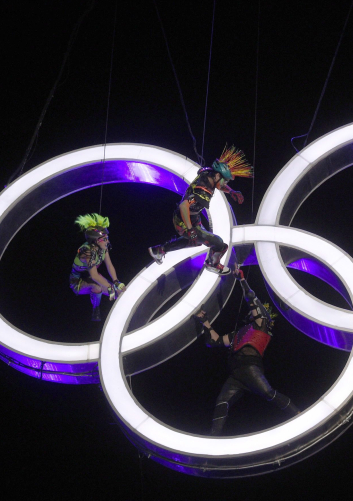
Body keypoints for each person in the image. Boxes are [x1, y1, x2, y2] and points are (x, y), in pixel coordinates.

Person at [195, 271, 299, 436]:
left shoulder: (261, 323)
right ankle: (214, 439)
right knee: (222, 402)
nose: (251, 312)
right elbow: (214, 341)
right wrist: (205, 321)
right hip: (236, 374)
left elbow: (251, 299)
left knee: (268, 393)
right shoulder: (240, 333)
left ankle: (298, 416)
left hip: (250, 367)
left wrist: (242, 279)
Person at [148, 145, 251, 275]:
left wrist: (231, 192)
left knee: (195, 242)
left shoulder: (208, 173)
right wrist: (190, 229)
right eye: (225, 180)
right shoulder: (203, 192)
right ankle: (212, 264)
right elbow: (184, 206)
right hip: (184, 221)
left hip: (192, 218)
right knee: (220, 245)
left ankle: (159, 250)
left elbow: (220, 185)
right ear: (218, 176)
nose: (226, 183)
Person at [69, 213, 125, 322]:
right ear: (96, 240)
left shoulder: (103, 248)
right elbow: (94, 276)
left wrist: (116, 281)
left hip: (93, 277)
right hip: (77, 281)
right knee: (97, 288)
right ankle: (96, 308)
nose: (108, 241)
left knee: (119, 293)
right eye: (105, 238)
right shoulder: (87, 252)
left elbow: (109, 265)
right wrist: (109, 286)